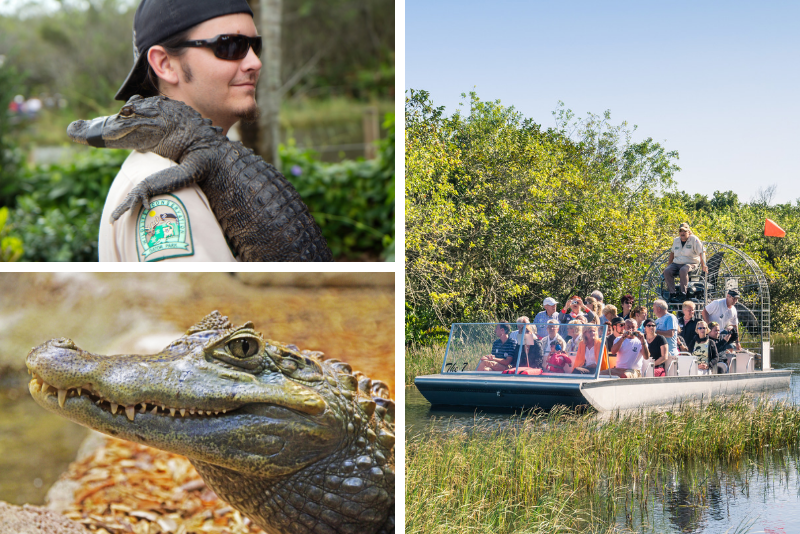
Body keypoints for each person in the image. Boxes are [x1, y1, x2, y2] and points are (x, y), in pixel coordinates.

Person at [99, 0, 262, 261]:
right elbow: (207, 302)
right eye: (231, 45)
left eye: (256, 46)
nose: (255, 62)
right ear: (165, 64)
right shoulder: (166, 188)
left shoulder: (202, 167)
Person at [662, 223, 708, 301]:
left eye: (685, 231)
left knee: (683, 270)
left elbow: (702, 252)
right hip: (677, 263)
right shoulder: (676, 240)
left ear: (689, 232)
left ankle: (683, 292)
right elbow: (672, 253)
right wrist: (668, 265)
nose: (682, 233)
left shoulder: (694, 239)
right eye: (681, 231)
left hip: (691, 262)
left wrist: (704, 265)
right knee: (667, 271)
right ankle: (672, 293)